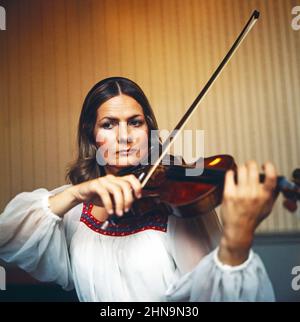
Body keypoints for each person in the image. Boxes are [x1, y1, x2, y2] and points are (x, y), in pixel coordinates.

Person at [0, 77, 278, 301]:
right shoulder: (74, 210)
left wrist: (236, 242)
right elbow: (7, 238)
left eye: (135, 122)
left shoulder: (176, 200)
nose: (124, 136)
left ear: (149, 130)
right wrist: (76, 193)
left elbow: (210, 296)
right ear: (92, 136)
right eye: (108, 125)